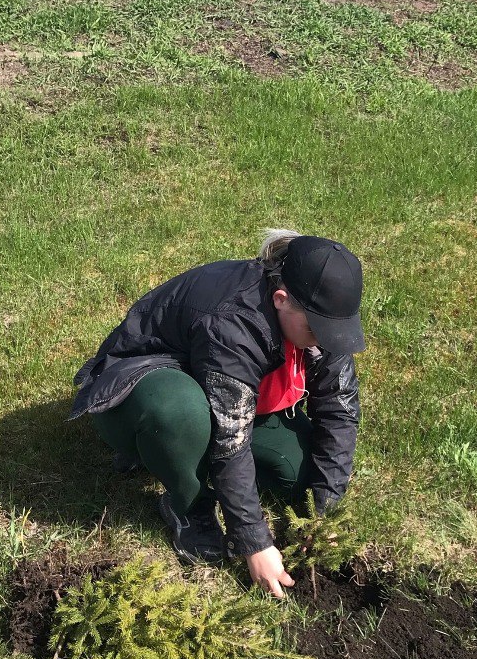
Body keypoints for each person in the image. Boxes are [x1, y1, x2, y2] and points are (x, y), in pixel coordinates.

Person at [69, 230, 364, 598]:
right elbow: (230, 440)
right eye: (316, 330)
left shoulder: (320, 318)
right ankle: (185, 501)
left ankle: (177, 453)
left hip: (220, 386)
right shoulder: (233, 324)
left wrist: (322, 513)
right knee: (182, 413)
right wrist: (255, 543)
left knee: (297, 476)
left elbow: (339, 410)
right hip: (141, 387)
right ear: (281, 299)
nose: (324, 340)